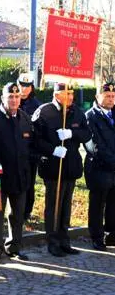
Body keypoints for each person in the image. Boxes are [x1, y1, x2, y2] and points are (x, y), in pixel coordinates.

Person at [32, 82, 91, 257]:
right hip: (52, 166)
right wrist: (53, 150)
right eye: (67, 94)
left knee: (66, 206)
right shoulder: (44, 112)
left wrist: (73, 134)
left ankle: (65, 240)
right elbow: (35, 139)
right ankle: (53, 241)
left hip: (70, 166)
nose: (70, 97)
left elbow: (87, 134)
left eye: (72, 94)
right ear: (57, 95)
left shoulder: (77, 112)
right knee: (53, 206)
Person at [0, 82, 33, 263]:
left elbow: (30, 145)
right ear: (2, 98)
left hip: (20, 174)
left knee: (17, 213)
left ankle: (14, 246)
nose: (14, 100)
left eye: (17, 97)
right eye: (10, 97)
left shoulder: (24, 118)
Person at [84, 82, 115, 251]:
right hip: (98, 168)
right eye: (107, 96)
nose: (111, 99)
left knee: (113, 204)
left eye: (113, 96)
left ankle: (111, 234)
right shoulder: (90, 116)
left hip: (113, 169)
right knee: (97, 204)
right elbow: (94, 146)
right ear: (97, 97)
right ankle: (96, 237)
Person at [18, 72, 42, 221]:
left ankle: (26, 211)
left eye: (28, 86)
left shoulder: (36, 105)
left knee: (29, 183)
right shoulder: (13, 100)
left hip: (30, 151)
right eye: (22, 85)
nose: (24, 89)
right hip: (14, 149)